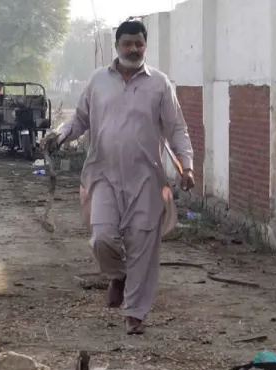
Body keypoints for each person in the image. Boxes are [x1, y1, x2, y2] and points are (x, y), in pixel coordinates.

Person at [44, 18, 195, 335]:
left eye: (139, 43)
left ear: (145, 45)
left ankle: (135, 313)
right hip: (103, 174)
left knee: (142, 244)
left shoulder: (159, 84)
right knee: (102, 236)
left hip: (146, 179)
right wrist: (59, 135)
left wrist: (187, 165)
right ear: (117, 46)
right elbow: (80, 119)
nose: (134, 49)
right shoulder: (99, 80)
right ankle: (117, 274)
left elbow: (176, 129)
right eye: (128, 43)